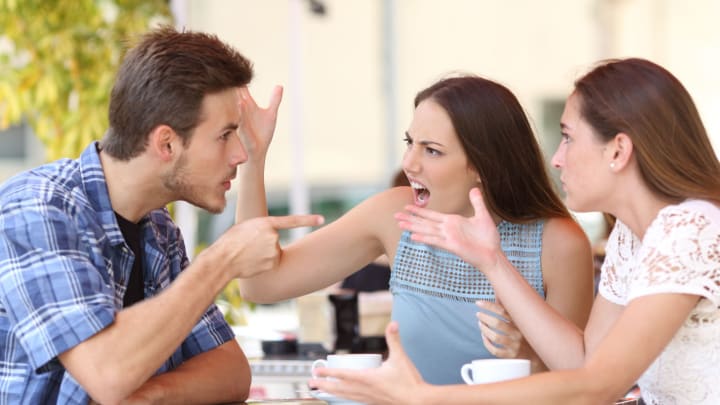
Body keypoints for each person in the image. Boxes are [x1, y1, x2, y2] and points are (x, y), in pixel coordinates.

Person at [310, 58, 720, 404]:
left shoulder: (690, 228)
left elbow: (598, 387)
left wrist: (424, 397)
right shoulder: (631, 238)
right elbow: (582, 362)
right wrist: (492, 261)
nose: (556, 158)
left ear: (618, 150)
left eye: (568, 138)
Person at [0, 27, 322, 404]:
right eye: (225, 135)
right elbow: (106, 374)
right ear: (166, 143)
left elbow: (232, 372)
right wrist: (222, 260)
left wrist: (149, 395)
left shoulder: (158, 229)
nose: (240, 154)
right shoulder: (36, 209)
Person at [236, 74, 594, 384]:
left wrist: (529, 358)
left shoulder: (558, 243)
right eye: (410, 143)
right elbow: (260, 284)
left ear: (483, 165)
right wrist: (254, 159)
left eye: (432, 151)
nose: (409, 163)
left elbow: (580, 387)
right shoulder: (397, 214)